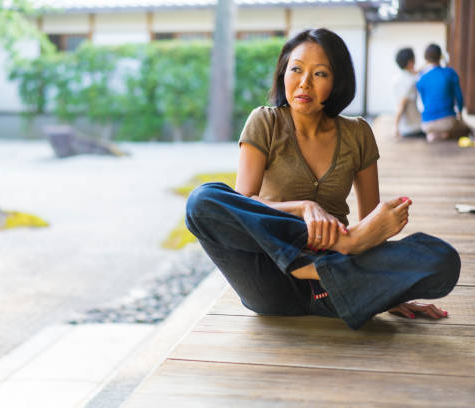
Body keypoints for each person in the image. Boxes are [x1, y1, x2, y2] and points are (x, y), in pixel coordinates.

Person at [185, 28, 460, 330]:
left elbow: (371, 227)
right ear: (283, 73)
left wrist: (391, 287)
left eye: (319, 74)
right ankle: (327, 259)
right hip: (272, 281)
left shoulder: (357, 133)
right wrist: (303, 208)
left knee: (442, 258)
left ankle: (337, 266)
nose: (304, 83)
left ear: (337, 81)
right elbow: (243, 207)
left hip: (340, 288)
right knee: (202, 201)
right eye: (296, 69)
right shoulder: (265, 121)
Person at [417, 43, 472, 142]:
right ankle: (445, 135)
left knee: (435, 127)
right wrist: (459, 112)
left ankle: (433, 134)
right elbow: (459, 97)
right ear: (440, 56)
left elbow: (424, 101)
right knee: (467, 130)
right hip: (447, 121)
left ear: (426, 58)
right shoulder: (450, 73)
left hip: (426, 123)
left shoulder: (421, 77)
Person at [392, 47, 424, 139]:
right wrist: (395, 127)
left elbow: (415, 72)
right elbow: (402, 105)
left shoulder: (397, 78)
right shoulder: (411, 81)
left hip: (404, 127)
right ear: (410, 62)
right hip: (414, 128)